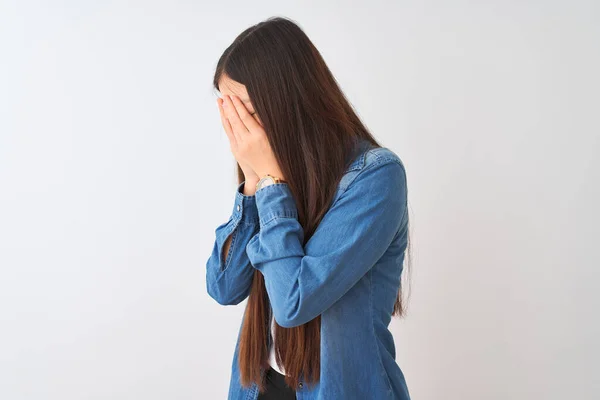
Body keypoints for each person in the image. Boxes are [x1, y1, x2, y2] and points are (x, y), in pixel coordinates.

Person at [205, 16, 412, 400]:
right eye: (227, 109)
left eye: (244, 109)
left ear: (286, 100)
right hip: (262, 388)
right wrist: (253, 182)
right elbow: (223, 286)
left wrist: (269, 181)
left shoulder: (375, 178)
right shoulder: (276, 180)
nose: (237, 126)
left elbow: (294, 301)